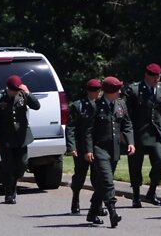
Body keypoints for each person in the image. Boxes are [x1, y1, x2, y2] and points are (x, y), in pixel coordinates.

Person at [85, 76, 135, 228]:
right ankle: (113, 212)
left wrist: (131, 142)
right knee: (108, 181)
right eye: (117, 89)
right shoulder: (95, 106)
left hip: (114, 149)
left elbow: (127, 124)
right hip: (99, 149)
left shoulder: (121, 104)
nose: (120, 92)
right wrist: (88, 150)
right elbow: (88, 131)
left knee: (102, 184)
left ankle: (92, 213)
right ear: (109, 91)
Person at [0, 75, 41, 204]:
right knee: (7, 167)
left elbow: (37, 106)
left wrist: (28, 93)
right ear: (8, 88)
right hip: (5, 137)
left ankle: (15, 182)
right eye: (13, 90)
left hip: (21, 137)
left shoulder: (23, 95)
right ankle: (9, 193)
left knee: (22, 164)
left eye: (18, 90)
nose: (16, 93)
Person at [123, 63, 161, 208]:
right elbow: (127, 113)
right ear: (147, 75)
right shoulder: (134, 89)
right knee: (136, 166)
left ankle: (152, 191)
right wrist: (126, 133)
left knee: (160, 161)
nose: (157, 78)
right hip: (138, 133)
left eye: (159, 76)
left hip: (156, 132)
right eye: (154, 76)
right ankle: (136, 196)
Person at [66, 79, 107, 219]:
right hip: (81, 147)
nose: (99, 93)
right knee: (79, 176)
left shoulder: (103, 105)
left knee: (98, 178)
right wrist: (71, 147)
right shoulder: (78, 106)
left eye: (100, 90)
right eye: (96, 90)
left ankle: (98, 205)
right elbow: (71, 127)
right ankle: (75, 199)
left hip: (98, 147)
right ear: (89, 91)